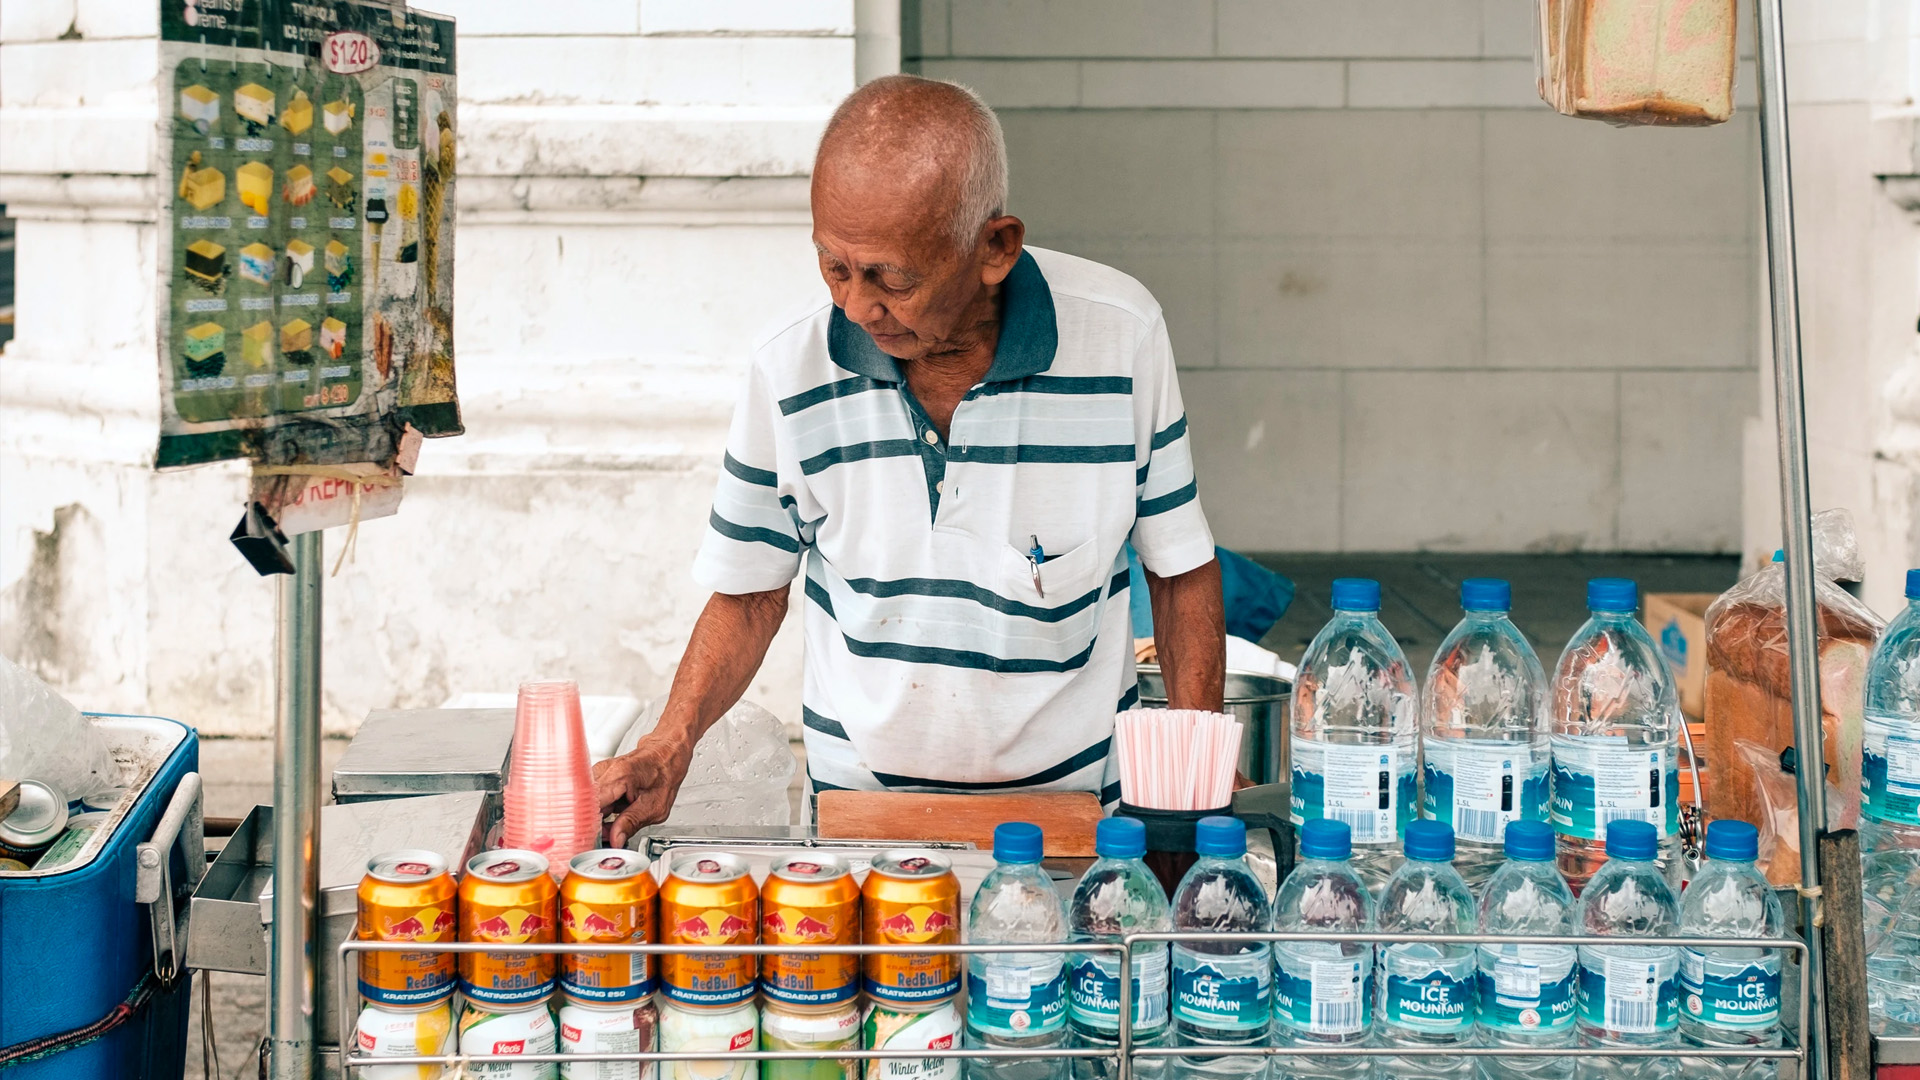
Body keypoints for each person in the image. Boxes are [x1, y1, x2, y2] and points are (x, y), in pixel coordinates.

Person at [593, 74, 1225, 844]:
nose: (857, 306)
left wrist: (1191, 799)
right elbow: (750, 593)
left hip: (1081, 821)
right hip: (862, 819)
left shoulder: (1121, 337)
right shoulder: (787, 369)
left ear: (995, 248)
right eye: (834, 267)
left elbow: (1178, 565)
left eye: (891, 278)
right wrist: (671, 742)